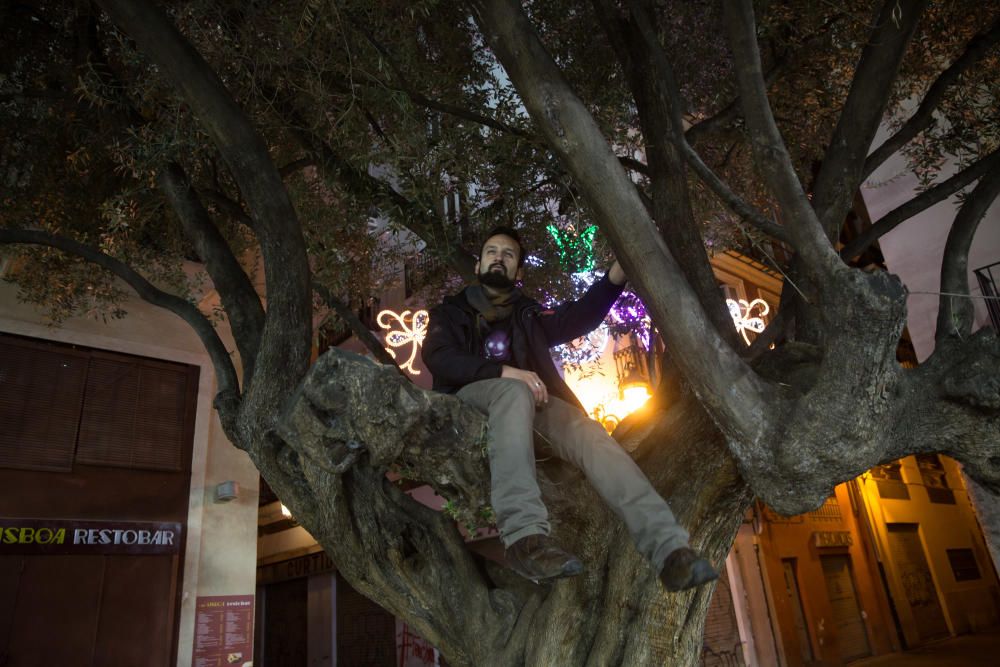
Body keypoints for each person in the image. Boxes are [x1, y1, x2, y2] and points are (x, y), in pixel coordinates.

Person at [421, 226, 717, 592]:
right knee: (514, 393)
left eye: (508, 254)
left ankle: (669, 549)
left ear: (518, 272)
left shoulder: (527, 314)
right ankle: (524, 538)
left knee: (587, 431)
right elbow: (439, 357)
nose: (499, 257)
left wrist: (615, 275)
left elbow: (580, 317)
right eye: (492, 251)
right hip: (471, 403)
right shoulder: (450, 313)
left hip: (528, 407)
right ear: (480, 263)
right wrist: (504, 372)